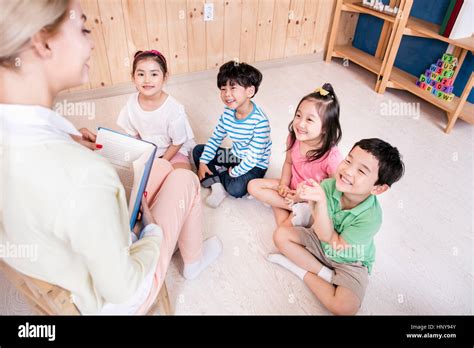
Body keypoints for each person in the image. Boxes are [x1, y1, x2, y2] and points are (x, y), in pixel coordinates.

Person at [0, 0, 221, 315]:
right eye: (84, 29)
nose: (91, 44)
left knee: (157, 165)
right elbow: (121, 287)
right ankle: (194, 262)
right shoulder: (86, 176)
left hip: (63, 258)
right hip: (112, 297)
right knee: (185, 179)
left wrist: (71, 139)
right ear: (43, 41)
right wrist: (151, 230)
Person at [268, 139, 404, 315]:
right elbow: (320, 231)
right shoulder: (328, 186)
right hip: (321, 239)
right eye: (348, 160)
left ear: (377, 189)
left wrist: (321, 202)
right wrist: (307, 195)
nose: (347, 170)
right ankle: (323, 273)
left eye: (361, 170)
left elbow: (334, 241)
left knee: (345, 308)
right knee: (281, 236)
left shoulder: (372, 218)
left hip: (350, 260)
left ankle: (301, 269)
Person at [248, 84, 342, 227]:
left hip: (309, 200)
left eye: (309, 120)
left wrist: (301, 198)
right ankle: (289, 209)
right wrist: (284, 185)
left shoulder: (332, 157)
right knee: (252, 186)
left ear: (325, 128)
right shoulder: (293, 138)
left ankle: (288, 209)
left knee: (283, 230)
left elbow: (332, 192)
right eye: (298, 115)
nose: (300, 123)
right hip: (291, 189)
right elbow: (288, 163)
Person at [193, 60, 272, 208]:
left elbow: (254, 157)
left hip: (254, 165)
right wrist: (203, 161)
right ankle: (218, 185)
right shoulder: (228, 113)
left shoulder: (260, 122)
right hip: (235, 156)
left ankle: (217, 178)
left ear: (250, 91)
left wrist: (235, 172)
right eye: (223, 89)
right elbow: (216, 138)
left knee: (235, 188)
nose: (227, 94)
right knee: (199, 151)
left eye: (233, 88)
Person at [117, 49, 195, 170]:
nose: (147, 80)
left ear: (164, 77)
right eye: (141, 74)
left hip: (174, 152)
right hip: (149, 153)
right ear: (133, 77)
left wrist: (162, 162)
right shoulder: (131, 104)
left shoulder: (174, 109)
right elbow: (134, 134)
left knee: (182, 176)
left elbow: (177, 142)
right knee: (148, 183)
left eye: (154, 74)